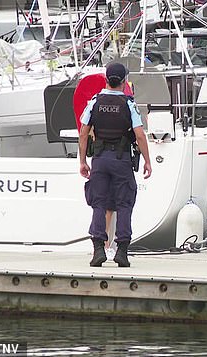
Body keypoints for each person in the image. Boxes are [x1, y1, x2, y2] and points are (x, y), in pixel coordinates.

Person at [78, 63, 152, 268]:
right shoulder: (129, 104)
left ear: (106, 80)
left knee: (98, 203)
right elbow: (139, 135)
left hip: (100, 160)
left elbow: (84, 133)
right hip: (122, 160)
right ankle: (122, 251)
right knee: (124, 203)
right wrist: (147, 160)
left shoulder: (94, 102)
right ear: (123, 82)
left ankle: (98, 250)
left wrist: (83, 161)